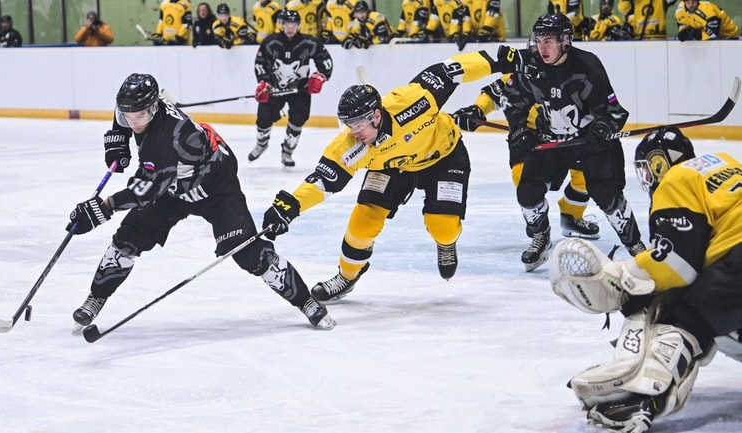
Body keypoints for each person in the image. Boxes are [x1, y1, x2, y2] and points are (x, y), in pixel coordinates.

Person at [259, 45, 543, 301]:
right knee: (362, 225)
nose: (354, 132)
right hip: (394, 167)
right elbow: (322, 182)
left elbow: (453, 68)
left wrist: (500, 61)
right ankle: (347, 277)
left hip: (444, 156)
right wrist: (290, 206)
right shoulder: (351, 145)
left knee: (442, 227)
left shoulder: (413, 100)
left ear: (377, 115)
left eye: (359, 124)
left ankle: (446, 244)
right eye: (349, 125)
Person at [66, 73, 335, 333]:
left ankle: (305, 301)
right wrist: (117, 140)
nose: (134, 122)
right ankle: (95, 298)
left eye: (140, 116)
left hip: (215, 190)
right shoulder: (132, 110)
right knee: (126, 240)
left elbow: (144, 192)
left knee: (247, 252)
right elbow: (121, 119)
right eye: (129, 116)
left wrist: (104, 207)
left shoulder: (169, 137)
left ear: (155, 106)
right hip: (172, 190)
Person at [550, 127, 742, 433]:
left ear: (657, 164)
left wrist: (628, 280)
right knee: (720, 319)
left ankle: (639, 397)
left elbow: (676, 265)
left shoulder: (677, 180)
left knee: (679, 315)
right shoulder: (724, 163)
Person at [501, 14, 645, 271]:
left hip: (590, 142)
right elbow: (512, 100)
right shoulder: (532, 64)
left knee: (607, 196)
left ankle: (635, 245)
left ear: (565, 41)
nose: (542, 47)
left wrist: (602, 126)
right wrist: (519, 130)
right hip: (552, 140)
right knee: (527, 192)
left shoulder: (587, 65)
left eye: (548, 41)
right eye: (539, 40)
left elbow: (615, 112)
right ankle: (541, 237)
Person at [452, 76, 601, 242]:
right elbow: (493, 93)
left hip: (569, 136)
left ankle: (571, 216)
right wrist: (477, 109)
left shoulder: (572, 71)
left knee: (588, 175)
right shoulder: (521, 73)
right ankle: (538, 225)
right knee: (523, 177)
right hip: (528, 137)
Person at [248, 9, 333, 167]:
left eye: (293, 24)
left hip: (300, 90)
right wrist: (264, 82)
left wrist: (321, 76)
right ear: (281, 25)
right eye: (287, 24)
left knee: (298, 119)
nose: (290, 27)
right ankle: (261, 144)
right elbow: (260, 64)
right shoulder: (271, 42)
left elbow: (325, 61)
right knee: (264, 118)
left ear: (299, 26)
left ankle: (287, 151)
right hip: (274, 88)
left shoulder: (308, 43)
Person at [675, 0, 739, 41]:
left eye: (693, 2)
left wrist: (693, 34)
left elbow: (712, 34)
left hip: (729, 36)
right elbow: (682, 25)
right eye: (688, 2)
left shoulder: (707, 10)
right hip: (712, 35)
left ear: (698, 1)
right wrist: (683, 33)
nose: (691, 5)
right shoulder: (680, 11)